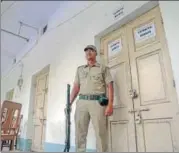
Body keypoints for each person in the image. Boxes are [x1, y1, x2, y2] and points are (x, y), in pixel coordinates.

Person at [70, 45, 114, 152]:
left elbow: (110, 86)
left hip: (98, 102)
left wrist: (110, 104)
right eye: (86, 51)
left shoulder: (103, 68)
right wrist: (69, 103)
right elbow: (76, 87)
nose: (88, 53)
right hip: (82, 102)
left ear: (96, 53)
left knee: (100, 132)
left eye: (91, 50)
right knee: (80, 132)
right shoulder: (80, 70)